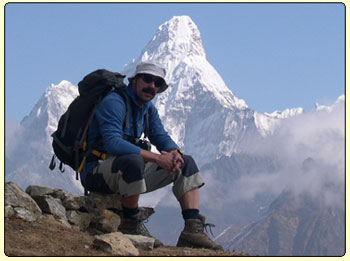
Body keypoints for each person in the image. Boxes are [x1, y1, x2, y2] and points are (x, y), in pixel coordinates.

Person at [81, 61, 223, 250]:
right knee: (134, 160)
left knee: (186, 162)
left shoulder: (148, 110)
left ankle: (192, 230)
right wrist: (157, 158)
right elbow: (112, 142)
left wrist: (175, 153)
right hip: (96, 171)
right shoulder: (114, 102)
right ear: (134, 80)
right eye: (147, 80)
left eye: (157, 84)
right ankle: (130, 223)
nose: (152, 86)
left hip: (125, 171)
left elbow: (160, 136)